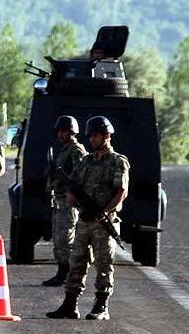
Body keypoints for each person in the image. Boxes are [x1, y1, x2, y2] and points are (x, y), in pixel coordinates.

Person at [46, 116, 130, 320]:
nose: (92, 139)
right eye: (90, 135)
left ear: (107, 136)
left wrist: (106, 211)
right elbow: (71, 183)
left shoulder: (118, 161)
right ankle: (70, 305)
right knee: (77, 261)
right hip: (85, 219)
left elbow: (121, 191)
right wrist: (72, 198)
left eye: (96, 135)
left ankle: (101, 306)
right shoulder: (86, 160)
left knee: (104, 264)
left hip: (103, 222)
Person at [42, 116, 87, 287]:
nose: (61, 134)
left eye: (65, 131)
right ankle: (61, 271)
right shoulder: (64, 150)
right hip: (60, 199)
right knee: (58, 237)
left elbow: (80, 174)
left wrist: (65, 185)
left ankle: (67, 273)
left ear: (72, 132)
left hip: (70, 200)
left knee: (66, 237)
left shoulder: (76, 150)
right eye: (59, 131)